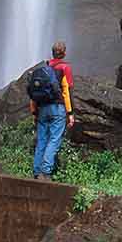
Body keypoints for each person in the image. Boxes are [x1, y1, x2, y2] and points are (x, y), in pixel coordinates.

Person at [30, 41, 75, 179]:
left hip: (42, 108)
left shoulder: (43, 69)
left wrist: (34, 111)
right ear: (64, 53)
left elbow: (33, 93)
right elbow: (67, 91)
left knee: (42, 140)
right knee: (54, 139)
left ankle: (37, 172)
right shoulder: (65, 68)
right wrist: (70, 113)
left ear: (52, 52)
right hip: (58, 108)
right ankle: (46, 171)